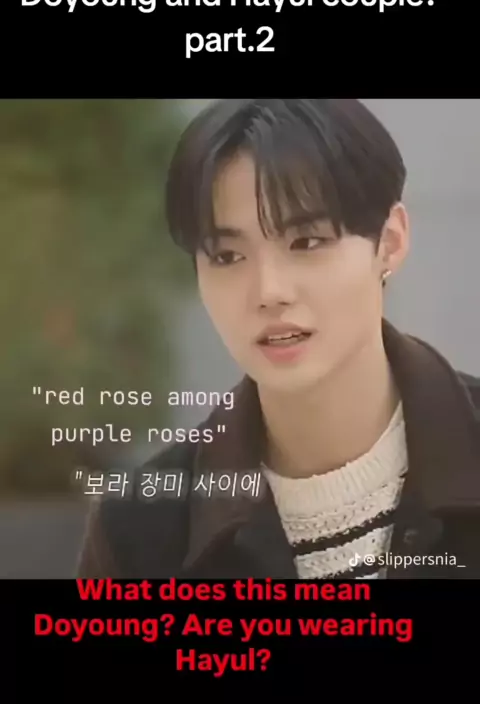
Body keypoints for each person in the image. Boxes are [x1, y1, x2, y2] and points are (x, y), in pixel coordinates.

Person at [77, 99, 480, 580]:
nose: (269, 292)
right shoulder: (140, 530)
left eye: (305, 243)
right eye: (227, 256)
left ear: (389, 241)